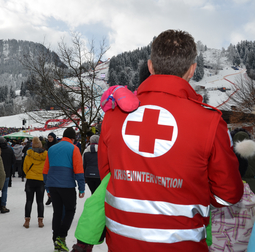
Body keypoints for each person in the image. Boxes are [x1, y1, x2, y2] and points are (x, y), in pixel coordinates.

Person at [97, 30, 243, 251]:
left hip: (121, 244)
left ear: (150, 66)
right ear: (192, 70)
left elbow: (107, 178)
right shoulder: (210, 121)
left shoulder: (114, 115)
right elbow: (228, 195)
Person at [43, 127, 85, 251]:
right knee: (70, 210)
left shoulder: (52, 148)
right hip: (67, 185)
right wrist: (81, 188)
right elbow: (78, 169)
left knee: (57, 212)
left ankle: (56, 240)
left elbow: (45, 171)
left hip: (53, 185)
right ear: (73, 139)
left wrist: (47, 188)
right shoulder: (74, 148)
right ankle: (61, 237)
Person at [22, 136, 47, 228]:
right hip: (41, 180)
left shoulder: (28, 156)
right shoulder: (45, 156)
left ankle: (27, 221)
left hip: (30, 180)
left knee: (29, 201)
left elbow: (25, 168)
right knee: (40, 201)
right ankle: (40, 221)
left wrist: (29, 174)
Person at [0, 136, 16, 214]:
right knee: (4, 190)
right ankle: (3, 206)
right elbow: (13, 161)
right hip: (6, 173)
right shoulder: (9, 150)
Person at [44, 132, 57, 205]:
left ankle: (53, 197)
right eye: (49, 137)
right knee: (47, 182)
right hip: (47, 165)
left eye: (51, 137)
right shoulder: (46, 145)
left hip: (54, 165)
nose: (49, 139)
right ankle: (50, 197)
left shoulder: (56, 145)